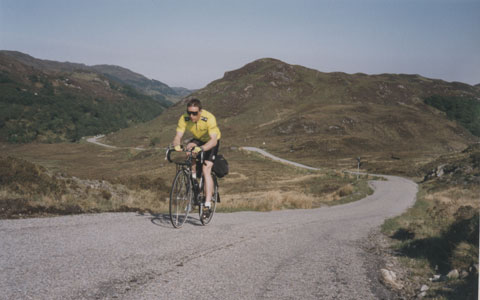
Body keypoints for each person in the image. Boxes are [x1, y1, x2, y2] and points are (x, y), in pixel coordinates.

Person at [172, 98, 221, 214]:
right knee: (189, 149)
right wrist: (177, 145)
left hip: (211, 142)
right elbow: (178, 136)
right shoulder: (184, 118)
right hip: (198, 139)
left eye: (194, 113)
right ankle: (193, 179)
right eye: (189, 112)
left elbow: (214, 140)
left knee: (206, 169)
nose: (191, 116)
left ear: (200, 111)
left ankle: (207, 205)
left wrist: (202, 148)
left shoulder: (209, 118)